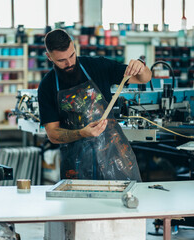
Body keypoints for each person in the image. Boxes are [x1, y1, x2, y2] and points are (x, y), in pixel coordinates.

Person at [37, 29, 152, 182]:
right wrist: (82, 133)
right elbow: (53, 134)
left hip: (115, 157)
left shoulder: (97, 66)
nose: (69, 63)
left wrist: (141, 67)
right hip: (77, 164)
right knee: (81, 205)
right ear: (49, 56)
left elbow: (144, 78)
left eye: (72, 55)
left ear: (74, 46)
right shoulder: (47, 86)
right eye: (61, 60)